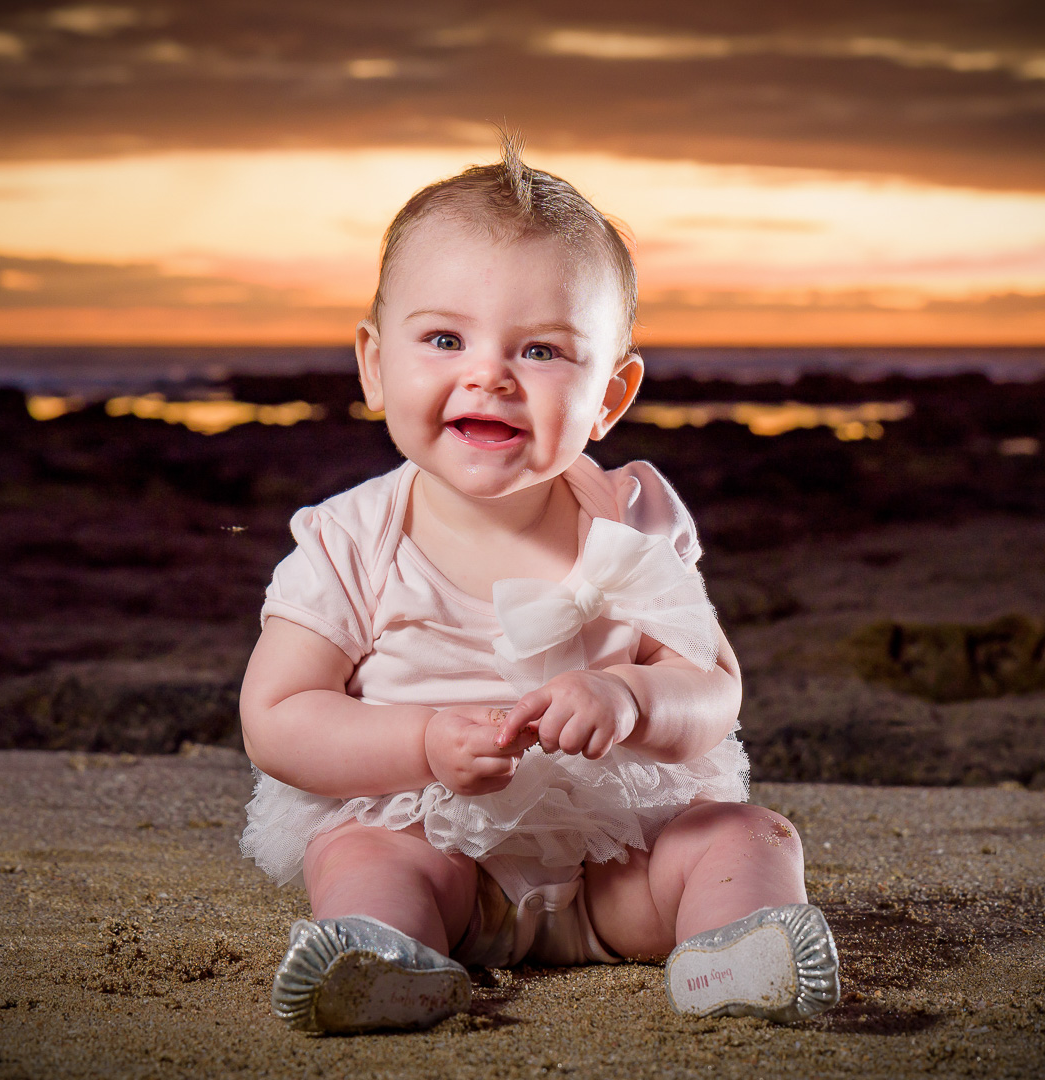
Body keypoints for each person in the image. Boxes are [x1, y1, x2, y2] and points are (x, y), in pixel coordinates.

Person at [238, 135, 839, 1034]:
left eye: (545, 352)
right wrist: (426, 743)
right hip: (439, 848)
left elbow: (713, 688)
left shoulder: (632, 520)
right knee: (362, 854)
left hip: (618, 864)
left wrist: (630, 696)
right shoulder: (348, 539)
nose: (490, 374)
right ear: (373, 363)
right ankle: (384, 956)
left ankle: (732, 949)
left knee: (747, 837)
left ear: (611, 393)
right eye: (444, 338)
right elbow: (278, 716)